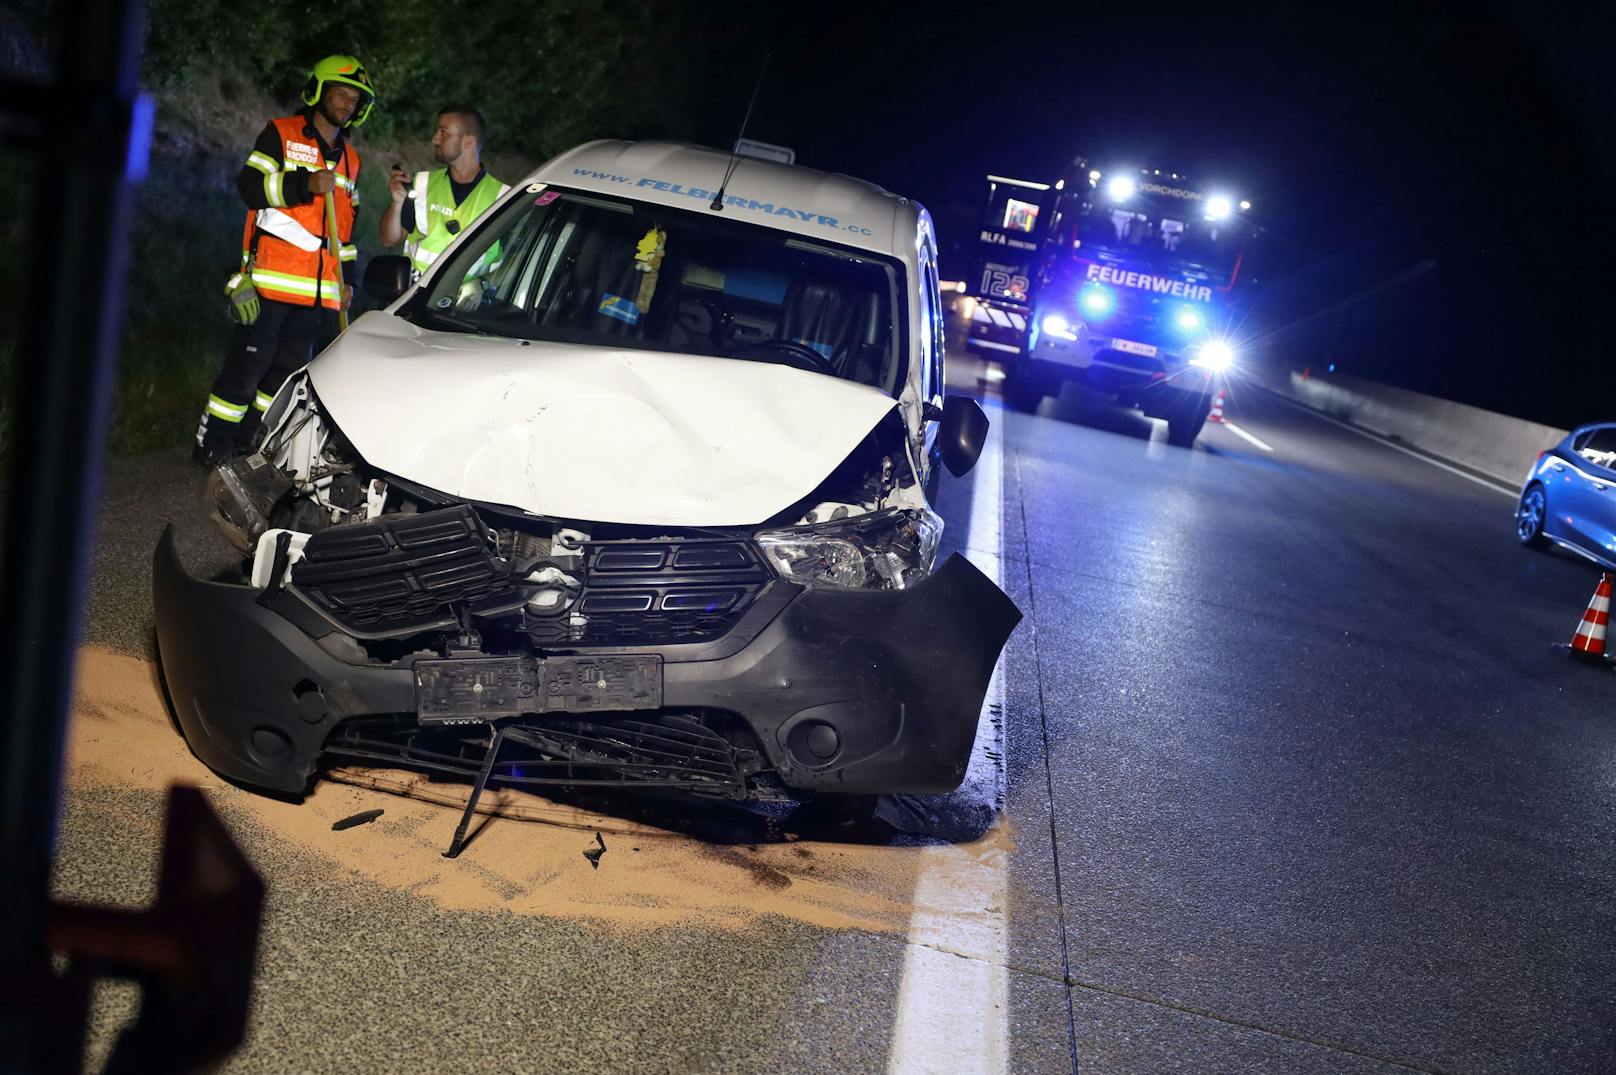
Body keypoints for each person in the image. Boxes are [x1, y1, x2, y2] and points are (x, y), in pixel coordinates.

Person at [194, 55, 374, 466]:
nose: (346, 104)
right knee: (247, 368)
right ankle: (211, 442)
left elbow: (345, 233)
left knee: (283, 377)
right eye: (340, 93)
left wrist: (348, 282)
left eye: (354, 99)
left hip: (315, 292)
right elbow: (249, 187)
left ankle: (248, 443)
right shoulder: (281, 133)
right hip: (271, 281)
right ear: (318, 92)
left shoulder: (352, 160)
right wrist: (303, 184)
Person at [379, 105, 508, 277]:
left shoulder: (504, 198)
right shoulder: (422, 184)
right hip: (412, 296)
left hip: (466, 303)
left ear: (468, 141)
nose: (435, 139)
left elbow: (511, 264)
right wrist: (396, 203)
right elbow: (389, 240)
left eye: (443, 132)